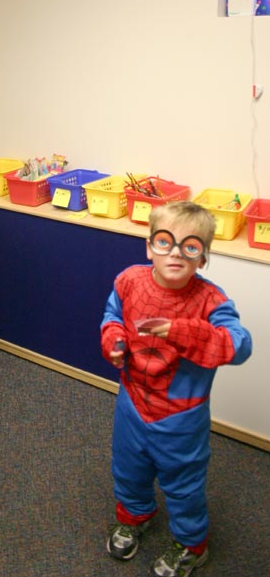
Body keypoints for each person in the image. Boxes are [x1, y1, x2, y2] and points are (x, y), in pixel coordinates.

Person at [99, 201, 252, 576]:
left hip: (181, 417)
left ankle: (191, 544)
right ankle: (135, 515)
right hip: (132, 402)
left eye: (191, 246)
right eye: (166, 242)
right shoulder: (129, 280)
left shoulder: (211, 300)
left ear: (203, 258)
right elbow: (112, 316)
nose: (176, 253)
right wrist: (113, 338)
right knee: (128, 468)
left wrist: (180, 330)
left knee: (184, 485)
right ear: (150, 245)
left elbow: (240, 345)